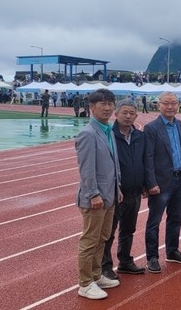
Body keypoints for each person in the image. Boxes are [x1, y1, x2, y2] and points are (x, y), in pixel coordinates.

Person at [75, 89, 121, 300]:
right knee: (90, 240)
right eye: (102, 103)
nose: (108, 107)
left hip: (109, 195)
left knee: (102, 238)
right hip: (95, 198)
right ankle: (85, 284)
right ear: (92, 107)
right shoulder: (88, 133)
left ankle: (96, 275)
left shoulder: (108, 130)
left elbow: (113, 165)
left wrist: (117, 188)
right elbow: (87, 169)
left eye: (110, 103)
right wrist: (93, 194)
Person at [144, 92, 181, 273]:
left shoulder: (180, 125)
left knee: (175, 219)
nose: (170, 106)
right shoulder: (151, 128)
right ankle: (152, 257)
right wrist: (151, 183)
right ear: (159, 105)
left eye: (174, 103)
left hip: (179, 179)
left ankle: (172, 251)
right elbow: (148, 158)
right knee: (154, 221)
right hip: (161, 182)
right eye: (166, 103)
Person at [101, 99, 146, 280]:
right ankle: (105, 267)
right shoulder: (109, 136)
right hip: (116, 194)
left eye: (131, 113)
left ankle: (125, 261)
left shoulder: (139, 136)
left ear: (136, 115)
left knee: (128, 230)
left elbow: (144, 161)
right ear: (116, 114)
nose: (128, 116)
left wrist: (145, 184)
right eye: (124, 112)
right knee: (108, 233)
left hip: (135, 192)